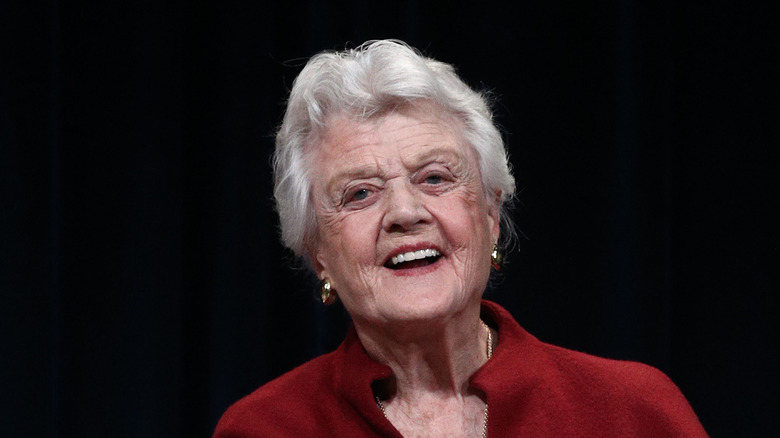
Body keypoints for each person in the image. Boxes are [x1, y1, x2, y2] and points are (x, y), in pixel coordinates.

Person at [214, 39, 707, 437]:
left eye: (435, 178)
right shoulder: (265, 428)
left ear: (491, 212)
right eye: (360, 193)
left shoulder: (633, 413)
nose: (405, 213)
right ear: (318, 252)